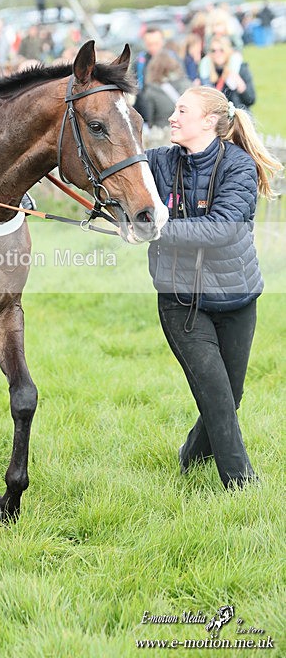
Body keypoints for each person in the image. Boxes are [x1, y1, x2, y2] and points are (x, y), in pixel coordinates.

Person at [146, 86, 282, 489]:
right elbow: (111, 175)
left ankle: (191, 457)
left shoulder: (238, 166)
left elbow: (223, 228)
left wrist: (158, 229)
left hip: (237, 299)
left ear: (208, 121)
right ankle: (243, 486)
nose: (172, 117)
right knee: (218, 397)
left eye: (182, 110)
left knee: (229, 396)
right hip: (181, 300)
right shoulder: (158, 162)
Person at [198, 35, 256, 109]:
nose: (217, 54)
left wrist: (242, 88)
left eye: (221, 50)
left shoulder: (239, 69)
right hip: (216, 113)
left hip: (237, 111)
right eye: (213, 51)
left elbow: (251, 100)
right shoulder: (206, 72)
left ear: (227, 50)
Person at [140, 50, 192, 129]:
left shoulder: (151, 91)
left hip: (162, 132)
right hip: (184, 129)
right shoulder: (186, 84)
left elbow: (149, 120)